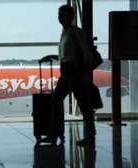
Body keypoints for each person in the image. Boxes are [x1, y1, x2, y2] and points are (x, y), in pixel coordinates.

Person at [40, 4, 96, 146]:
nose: (59, 17)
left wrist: (84, 73)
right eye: (58, 14)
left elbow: (86, 54)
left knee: (82, 105)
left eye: (61, 14)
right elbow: (67, 54)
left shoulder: (76, 32)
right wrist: (53, 56)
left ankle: (88, 135)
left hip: (75, 73)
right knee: (57, 101)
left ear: (70, 16)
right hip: (66, 72)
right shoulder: (64, 32)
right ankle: (55, 134)